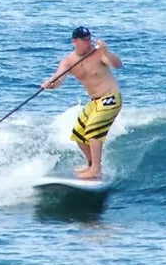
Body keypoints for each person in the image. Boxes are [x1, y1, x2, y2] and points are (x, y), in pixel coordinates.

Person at [42, 26, 123, 179]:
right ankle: (91, 164)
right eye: (84, 40)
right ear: (75, 41)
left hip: (111, 97)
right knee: (78, 134)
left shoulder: (99, 53)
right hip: (95, 101)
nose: (88, 42)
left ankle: (96, 170)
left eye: (89, 39)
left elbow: (117, 64)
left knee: (93, 128)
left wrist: (106, 51)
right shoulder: (69, 61)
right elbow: (58, 79)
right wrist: (50, 84)